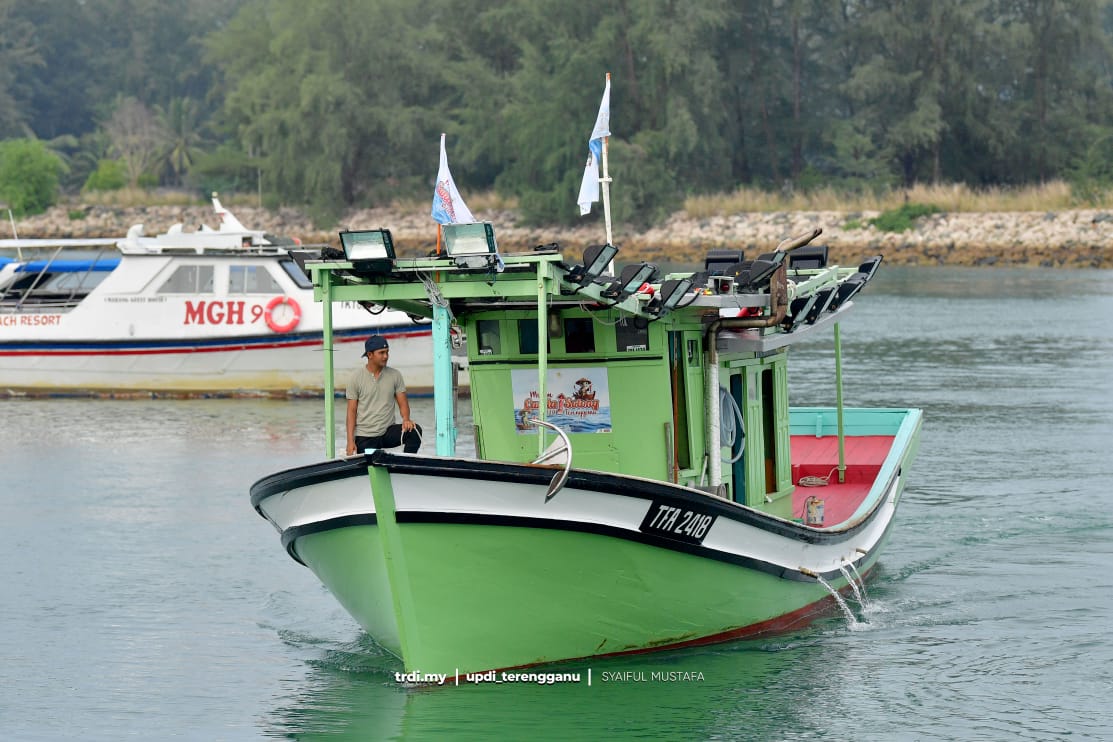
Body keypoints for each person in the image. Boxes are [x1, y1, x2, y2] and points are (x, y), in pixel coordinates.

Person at [345, 336, 422, 455]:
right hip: (365, 436)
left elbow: (403, 404)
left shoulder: (395, 375)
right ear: (370, 355)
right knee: (370, 463)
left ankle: (405, 463)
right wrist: (350, 441)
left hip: (387, 432)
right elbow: (351, 411)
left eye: (387, 352)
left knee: (414, 431)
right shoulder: (356, 377)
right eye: (381, 353)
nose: (386, 356)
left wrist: (406, 419)